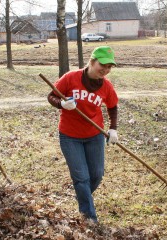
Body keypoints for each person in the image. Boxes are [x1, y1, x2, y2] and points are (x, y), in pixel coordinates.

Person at [47, 46, 119, 222]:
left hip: (95, 135)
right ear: (92, 61)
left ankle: (82, 196)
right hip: (70, 136)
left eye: (110, 66)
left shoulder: (106, 86)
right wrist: (61, 105)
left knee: (96, 175)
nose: (106, 70)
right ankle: (89, 218)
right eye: (103, 64)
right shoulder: (71, 78)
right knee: (81, 177)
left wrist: (113, 128)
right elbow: (51, 96)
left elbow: (112, 106)